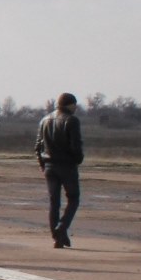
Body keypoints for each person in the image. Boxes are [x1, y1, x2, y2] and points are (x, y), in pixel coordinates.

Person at [35, 93, 84, 247]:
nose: (76, 107)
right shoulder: (71, 120)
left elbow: (37, 146)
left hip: (49, 166)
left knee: (54, 202)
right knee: (73, 198)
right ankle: (61, 228)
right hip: (67, 166)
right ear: (69, 105)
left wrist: (42, 164)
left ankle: (57, 237)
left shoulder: (45, 120)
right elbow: (76, 145)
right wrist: (78, 159)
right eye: (74, 104)